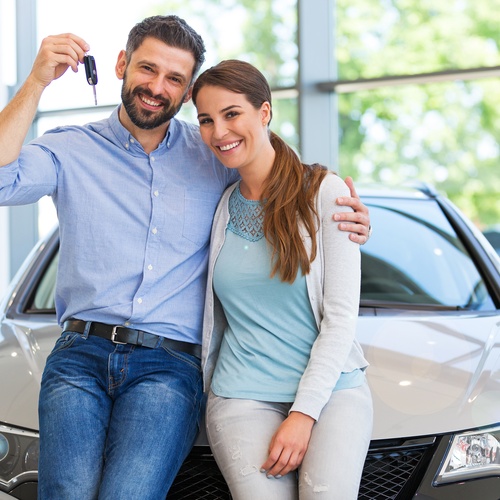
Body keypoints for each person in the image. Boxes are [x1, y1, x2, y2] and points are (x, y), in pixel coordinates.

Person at [0, 15, 371, 499]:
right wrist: (35, 83)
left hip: (169, 365)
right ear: (121, 65)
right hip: (80, 355)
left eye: (174, 78)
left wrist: (346, 213)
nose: (157, 87)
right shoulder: (71, 149)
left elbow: (279, 185)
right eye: (147, 69)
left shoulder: (213, 154)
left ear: (187, 88)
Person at [192, 59, 373, 500]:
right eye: (206, 120)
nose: (219, 132)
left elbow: (340, 318)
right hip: (240, 395)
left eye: (232, 114)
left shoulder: (324, 193)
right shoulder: (218, 205)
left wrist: (303, 414)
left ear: (265, 112)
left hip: (332, 393)